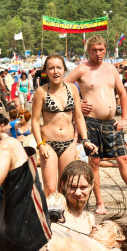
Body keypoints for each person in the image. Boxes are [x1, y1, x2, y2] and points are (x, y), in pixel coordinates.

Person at [64, 35, 127, 214]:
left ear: (105, 50)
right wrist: (76, 103)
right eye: (94, 50)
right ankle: (100, 203)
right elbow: (61, 87)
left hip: (111, 123)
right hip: (90, 122)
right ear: (88, 50)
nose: (98, 53)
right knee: (94, 162)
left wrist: (124, 117)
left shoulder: (111, 69)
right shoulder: (82, 69)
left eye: (101, 50)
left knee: (124, 159)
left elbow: (123, 93)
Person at [31, 55, 95, 197]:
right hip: (48, 144)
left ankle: (65, 216)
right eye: (51, 68)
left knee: (66, 186)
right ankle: (49, 218)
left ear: (64, 70)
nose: (55, 71)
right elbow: (35, 121)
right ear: (45, 72)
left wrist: (85, 140)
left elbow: (78, 117)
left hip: (69, 143)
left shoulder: (72, 89)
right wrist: (40, 144)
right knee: (49, 188)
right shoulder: (41, 92)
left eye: (59, 68)